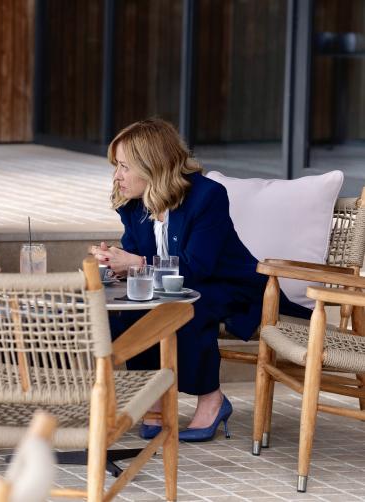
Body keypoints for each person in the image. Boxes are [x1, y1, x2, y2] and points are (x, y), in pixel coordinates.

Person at [91, 118, 310, 442]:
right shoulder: (135, 204)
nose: (117, 176)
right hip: (179, 285)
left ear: (152, 165)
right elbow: (137, 254)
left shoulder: (206, 196)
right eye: (116, 166)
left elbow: (197, 269)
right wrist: (117, 263)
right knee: (132, 306)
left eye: (124, 166)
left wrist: (136, 262)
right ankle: (153, 397)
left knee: (190, 306)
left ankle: (211, 399)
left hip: (231, 288)